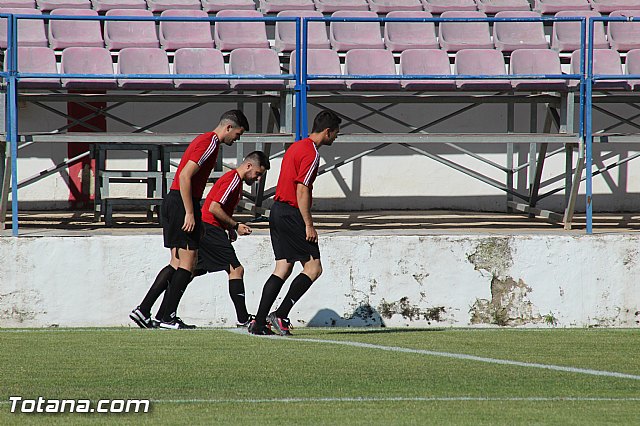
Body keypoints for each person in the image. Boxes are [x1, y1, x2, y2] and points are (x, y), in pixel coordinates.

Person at [129, 109, 249, 330]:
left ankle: (144, 310)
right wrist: (190, 212)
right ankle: (166, 317)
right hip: (181, 202)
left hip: (176, 202)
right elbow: (184, 175)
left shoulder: (207, 141)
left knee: (177, 263)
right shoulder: (210, 142)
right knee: (188, 263)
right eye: (238, 134)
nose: (237, 138)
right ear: (228, 127)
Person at [249, 110, 341, 336]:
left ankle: (259, 323)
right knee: (313, 267)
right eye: (336, 133)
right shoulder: (311, 154)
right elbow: (301, 189)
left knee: (283, 267)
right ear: (327, 132)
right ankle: (281, 314)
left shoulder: (296, 147)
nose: (336, 138)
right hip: (292, 213)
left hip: (277, 211)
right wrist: (309, 223)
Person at [191, 151, 270, 327]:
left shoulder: (235, 181)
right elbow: (214, 208)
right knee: (236, 270)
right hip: (210, 228)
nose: (257, 179)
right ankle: (243, 318)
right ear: (249, 166)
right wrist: (235, 225)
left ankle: (162, 311)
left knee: (191, 270)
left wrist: (228, 228)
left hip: (209, 228)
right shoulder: (233, 179)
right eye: (257, 174)